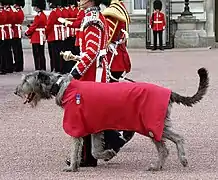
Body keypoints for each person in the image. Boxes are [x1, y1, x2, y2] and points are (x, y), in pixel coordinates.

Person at [53, 0, 130, 167]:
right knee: (89, 113)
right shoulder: (93, 16)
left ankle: (88, 156)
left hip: (91, 74)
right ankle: (104, 146)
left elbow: (91, 52)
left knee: (86, 113)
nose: (79, 1)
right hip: (94, 71)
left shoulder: (93, 20)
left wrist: (74, 74)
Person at [101, 0, 135, 152]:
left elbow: (107, 36)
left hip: (113, 61)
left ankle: (120, 131)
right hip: (117, 59)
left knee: (110, 101)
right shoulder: (118, 6)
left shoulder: (111, 11)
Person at [25, 0, 47, 71]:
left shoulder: (38, 17)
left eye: (34, 6)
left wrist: (27, 33)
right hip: (41, 36)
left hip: (36, 38)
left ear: (38, 7)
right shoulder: (43, 15)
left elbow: (34, 27)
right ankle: (42, 68)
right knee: (41, 54)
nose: (34, 8)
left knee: (37, 55)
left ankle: (38, 68)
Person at [46, 0, 64, 73]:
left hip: (53, 36)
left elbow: (49, 25)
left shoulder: (53, 13)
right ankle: (60, 67)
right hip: (59, 35)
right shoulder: (60, 11)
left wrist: (46, 33)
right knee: (59, 53)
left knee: (53, 54)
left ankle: (55, 68)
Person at [11, 0, 25, 72]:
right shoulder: (20, 11)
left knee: (16, 51)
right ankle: (19, 65)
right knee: (18, 50)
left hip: (15, 32)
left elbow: (12, 21)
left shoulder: (17, 12)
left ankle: (18, 65)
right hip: (17, 31)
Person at [3, 0, 15, 73]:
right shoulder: (10, 11)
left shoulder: (7, 12)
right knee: (8, 51)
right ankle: (9, 66)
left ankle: (7, 66)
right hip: (8, 32)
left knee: (5, 51)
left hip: (6, 32)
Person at [0, 1, 7, 74]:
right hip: (2, 33)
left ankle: (2, 68)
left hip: (1, 34)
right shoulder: (3, 12)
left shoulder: (2, 12)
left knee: (2, 52)